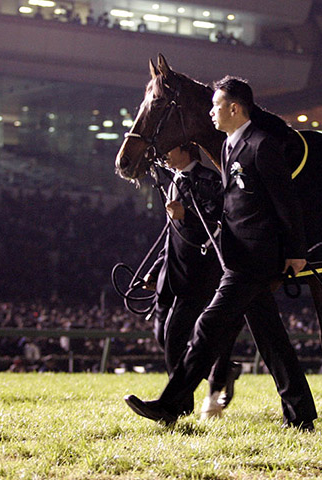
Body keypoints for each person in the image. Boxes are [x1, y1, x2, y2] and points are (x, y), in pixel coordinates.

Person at [124, 76, 317, 431]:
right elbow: (231, 205)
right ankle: (301, 414)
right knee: (272, 339)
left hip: (254, 259)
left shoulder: (263, 146)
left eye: (216, 106)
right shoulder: (228, 147)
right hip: (236, 255)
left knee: (207, 326)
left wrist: (295, 251)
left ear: (234, 108)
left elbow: (287, 202)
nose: (210, 112)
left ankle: (171, 404)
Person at [143, 142, 241, 417]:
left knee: (174, 337)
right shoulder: (173, 180)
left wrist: (186, 215)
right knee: (163, 335)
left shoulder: (210, 180)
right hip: (169, 273)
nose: (165, 155)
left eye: (170, 148)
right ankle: (216, 368)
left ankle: (179, 403)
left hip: (197, 273)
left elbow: (217, 225)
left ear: (186, 150)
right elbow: (171, 234)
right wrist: (155, 268)